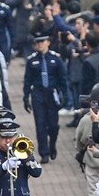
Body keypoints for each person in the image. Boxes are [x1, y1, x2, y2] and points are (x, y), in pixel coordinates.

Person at [22, 33, 67, 162]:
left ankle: (52, 145)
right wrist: (26, 97)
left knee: (53, 125)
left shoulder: (56, 59)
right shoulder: (31, 61)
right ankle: (44, 153)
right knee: (40, 125)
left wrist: (65, 96)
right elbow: (27, 80)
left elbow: (63, 79)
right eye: (37, 42)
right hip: (38, 94)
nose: (40, 45)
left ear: (48, 43)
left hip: (52, 94)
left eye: (42, 42)